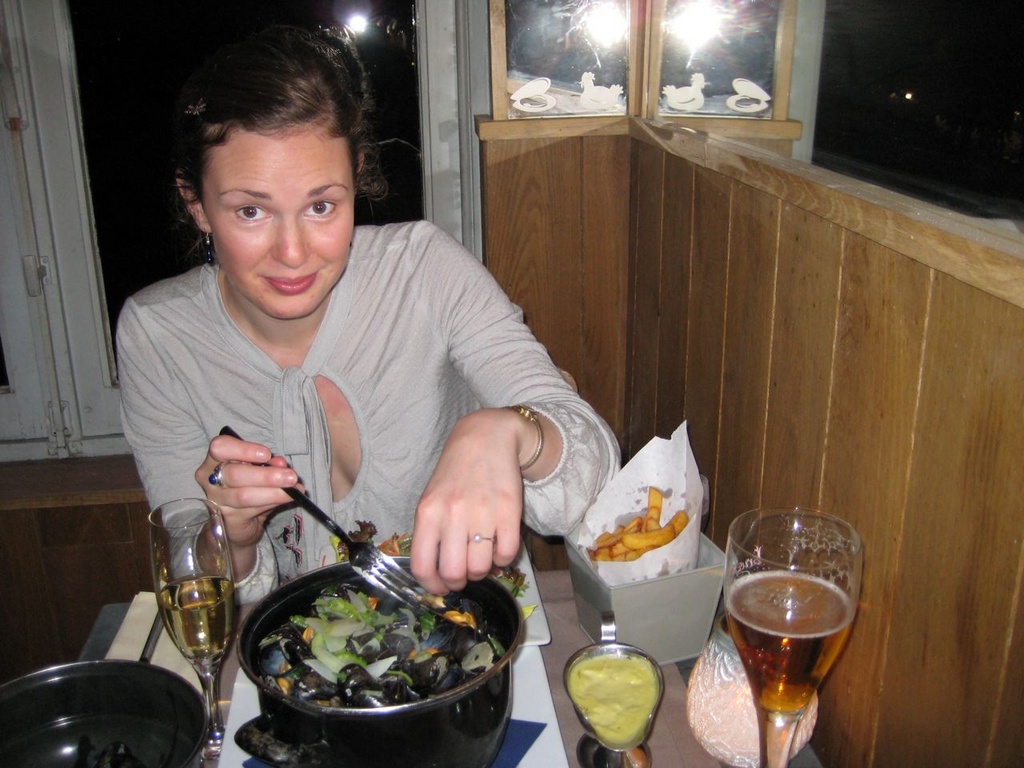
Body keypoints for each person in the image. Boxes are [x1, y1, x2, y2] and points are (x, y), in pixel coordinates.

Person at [116, 25, 619, 604]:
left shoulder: (424, 268)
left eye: (321, 205)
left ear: (356, 180)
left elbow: (593, 473)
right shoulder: (156, 335)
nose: (293, 252)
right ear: (197, 205)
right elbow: (194, 571)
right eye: (251, 211)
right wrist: (234, 536)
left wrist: (509, 430)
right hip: (292, 644)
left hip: (472, 622)